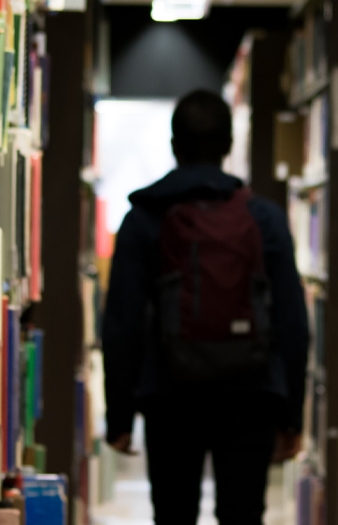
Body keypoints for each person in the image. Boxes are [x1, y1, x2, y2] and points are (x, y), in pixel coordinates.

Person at [101, 89, 310, 525]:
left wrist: (119, 415)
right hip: (251, 392)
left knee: (174, 513)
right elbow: (292, 321)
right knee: (242, 513)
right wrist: (291, 416)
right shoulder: (264, 217)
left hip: (169, 393)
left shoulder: (142, 218)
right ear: (229, 145)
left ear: (175, 145)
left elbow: (122, 323)